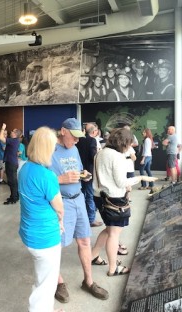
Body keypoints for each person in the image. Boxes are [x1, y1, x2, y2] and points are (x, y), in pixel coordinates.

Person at [51, 118, 108, 303]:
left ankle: (89, 281)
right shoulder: (49, 150)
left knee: (84, 240)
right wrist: (60, 179)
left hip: (79, 199)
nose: (76, 141)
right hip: (62, 202)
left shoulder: (74, 148)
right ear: (63, 131)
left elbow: (78, 168)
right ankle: (58, 282)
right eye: (74, 137)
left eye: (79, 137)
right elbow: (41, 180)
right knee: (56, 246)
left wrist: (84, 175)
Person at [90, 128, 158, 276]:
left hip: (99, 197)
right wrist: (141, 178)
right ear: (124, 142)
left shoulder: (100, 153)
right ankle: (113, 268)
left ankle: (93, 255)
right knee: (114, 233)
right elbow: (121, 182)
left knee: (109, 229)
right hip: (114, 198)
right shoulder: (117, 157)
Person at [19, 127, 65, 312]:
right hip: (46, 237)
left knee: (42, 277)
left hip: (29, 233)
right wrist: (60, 220)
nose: (55, 150)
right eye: (53, 146)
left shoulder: (24, 168)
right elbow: (60, 208)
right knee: (47, 284)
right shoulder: (47, 176)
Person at [76, 123, 101, 227]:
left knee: (80, 195)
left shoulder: (79, 140)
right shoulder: (92, 140)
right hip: (89, 172)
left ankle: (81, 218)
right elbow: (93, 156)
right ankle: (91, 219)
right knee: (90, 196)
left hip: (79, 171)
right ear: (94, 132)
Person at [2, 124, 22, 205]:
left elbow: (0, 138)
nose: (11, 132)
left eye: (13, 131)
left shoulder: (14, 140)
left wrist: (3, 128)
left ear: (15, 134)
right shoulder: (14, 140)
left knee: (12, 181)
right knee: (13, 181)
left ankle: (13, 198)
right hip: (12, 162)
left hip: (11, 163)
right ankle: (15, 196)